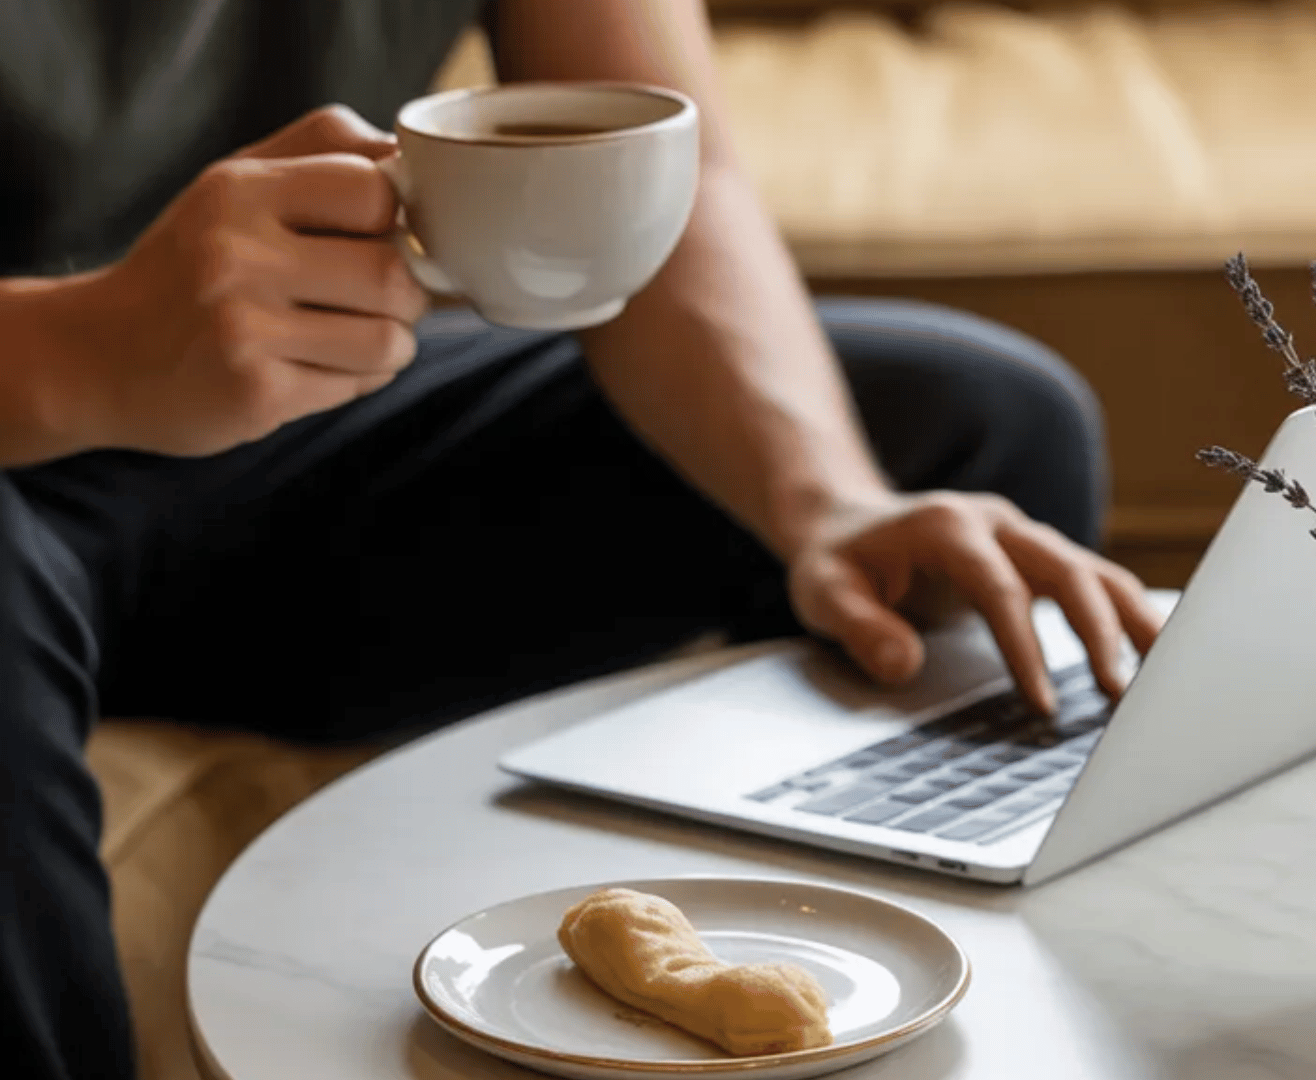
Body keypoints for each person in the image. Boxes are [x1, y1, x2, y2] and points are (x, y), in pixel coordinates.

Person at [0, 2, 1163, 1077]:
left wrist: (829, 504)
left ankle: (836, 1009)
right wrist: (85, 351)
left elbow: (669, 157)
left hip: (259, 429)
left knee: (976, 429)